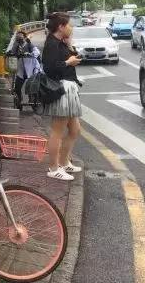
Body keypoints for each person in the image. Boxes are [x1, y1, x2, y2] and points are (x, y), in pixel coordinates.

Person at [41, 12, 83, 181]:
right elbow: (49, 68)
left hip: (69, 88)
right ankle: (53, 168)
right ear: (60, 26)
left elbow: (71, 56)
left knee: (75, 130)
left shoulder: (60, 42)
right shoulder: (51, 43)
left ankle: (64, 162)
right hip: (60, 89)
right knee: (57, 131)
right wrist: (68, 62)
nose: (71, 28)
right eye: (69, 25)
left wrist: (69, 45)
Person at [5, 29, 42, 102]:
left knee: (32, 84)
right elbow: (12, 52)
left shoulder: (29, 45)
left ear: (24, 37)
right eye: (18, 37)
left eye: (21, 36)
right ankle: (19, 99)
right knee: (17, 87)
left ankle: (33, 98)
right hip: (22, 69)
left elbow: (37, 52)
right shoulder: (16, 46)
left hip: (32, 68)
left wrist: (29, 54)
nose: (19, 38)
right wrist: (8, 54)